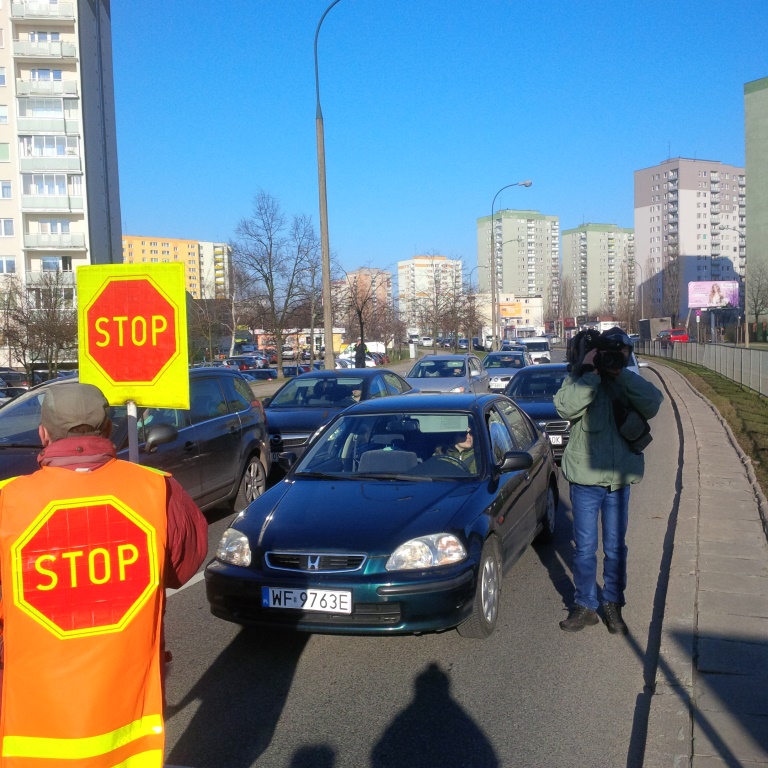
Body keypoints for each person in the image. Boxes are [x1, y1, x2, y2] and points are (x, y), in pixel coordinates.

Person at [0, 382, 208, 766]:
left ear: (43, 433)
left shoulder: (7, 502)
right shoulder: (155, 489)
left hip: (37, 733)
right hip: (129, 724)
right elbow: (185, 564)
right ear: (109, 429)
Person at [554, 328, 663, 635]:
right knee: (585, 548)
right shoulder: (578, 379)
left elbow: (653, 403)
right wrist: (589, 372)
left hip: (617, 481)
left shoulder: (625, 381)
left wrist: (621, 372)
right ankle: (586, 606)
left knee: (615, 548)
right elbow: (564, 407)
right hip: (586, 480)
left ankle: (613, 604)